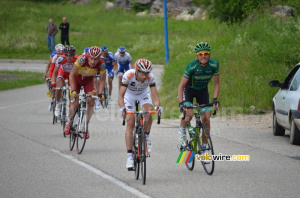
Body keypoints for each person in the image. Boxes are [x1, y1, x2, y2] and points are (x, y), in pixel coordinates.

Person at [118, 58, 162, 169]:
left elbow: (155, 96)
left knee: (148, 113)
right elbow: (121, 95)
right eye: (142, 73)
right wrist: (122, 108)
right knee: (130, 122)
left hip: (143, 94)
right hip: (129, 95)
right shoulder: (128, 75)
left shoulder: (150, 77)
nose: (145, 76)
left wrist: (157, 106)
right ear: (136, 71)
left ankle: (146, 136)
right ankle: (129, 156)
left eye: (147, 73)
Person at [177, 42, 220, 151]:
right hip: (189, 90)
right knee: (189, 114)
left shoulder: (214, 65)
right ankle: (182, 130)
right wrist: (181, 103)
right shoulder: (192, 66)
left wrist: (215, 99)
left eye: (206, 53)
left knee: (206, 119)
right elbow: (181, 86)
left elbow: (217, 83)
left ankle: (204, 148)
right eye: (200, 54)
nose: (203, 56)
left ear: (210, 55)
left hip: (203, 91)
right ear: (196, 56)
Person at [64, 46, 106, 139]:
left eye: (95, 59)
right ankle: (69, 121)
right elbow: (71, 75)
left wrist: (100, 93)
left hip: (88, 81)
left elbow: (102, 80)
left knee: (91, 101)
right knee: (74, 104)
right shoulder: (82, 59)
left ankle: (85, 126)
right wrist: (73, 90)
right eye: (91, 58)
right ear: (88, 56)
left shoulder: (102, 64)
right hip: (76, 79)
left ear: (99, 58)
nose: (93, 61)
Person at [51, 45, 78, 117]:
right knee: (59, 87)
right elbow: (55, 72)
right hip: (63, 73)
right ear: (64, 54)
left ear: (73, 55)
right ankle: (57, 104)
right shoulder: (60, 59)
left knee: (71, 93)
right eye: (66, 55)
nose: (68, 57)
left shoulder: (77, 59)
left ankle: (71, 107)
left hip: (71, 75)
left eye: (71, 55)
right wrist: (53, 83)